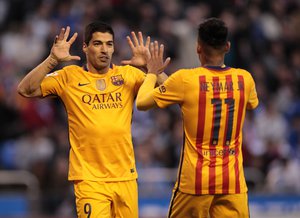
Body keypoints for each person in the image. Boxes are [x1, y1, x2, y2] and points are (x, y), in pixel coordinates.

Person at [17, 21, 167, 218]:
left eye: (109, 44)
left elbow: (171, 91)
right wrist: (52, 60)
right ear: (86, 47)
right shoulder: (69, 77)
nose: (104, 50)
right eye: (97, 44)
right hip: (89, 180)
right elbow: (25, 89)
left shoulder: (128, 75)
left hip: (126, 178)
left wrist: (152, 69)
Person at [136, 18, 259, 218]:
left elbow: (142, 102)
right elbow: (251, 103)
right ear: (227, 46)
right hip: (232, 182)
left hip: (195, 183)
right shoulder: (244, 79)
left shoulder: (186, 79)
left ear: (198, 48)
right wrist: (159, 75)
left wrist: (151, 73)